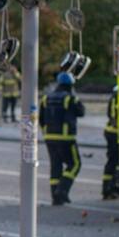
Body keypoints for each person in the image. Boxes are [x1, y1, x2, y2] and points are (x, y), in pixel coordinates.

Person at [41, 70, 84, 206]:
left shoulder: (46, 98)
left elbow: (40, 118)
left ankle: (55, 197)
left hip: (49, 137)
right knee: (75, 164)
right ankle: (62, 190)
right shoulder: (70, 98)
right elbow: (81, 112)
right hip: (66, 138)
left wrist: (45, 132)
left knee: (55, 166)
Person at [100, 72, 119, 200]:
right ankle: (107, 189)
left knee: (116, 162)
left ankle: (114, 188)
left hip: (112, 132)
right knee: (113, 162)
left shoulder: (114, 96)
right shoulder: (118, 97)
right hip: (115, 133)